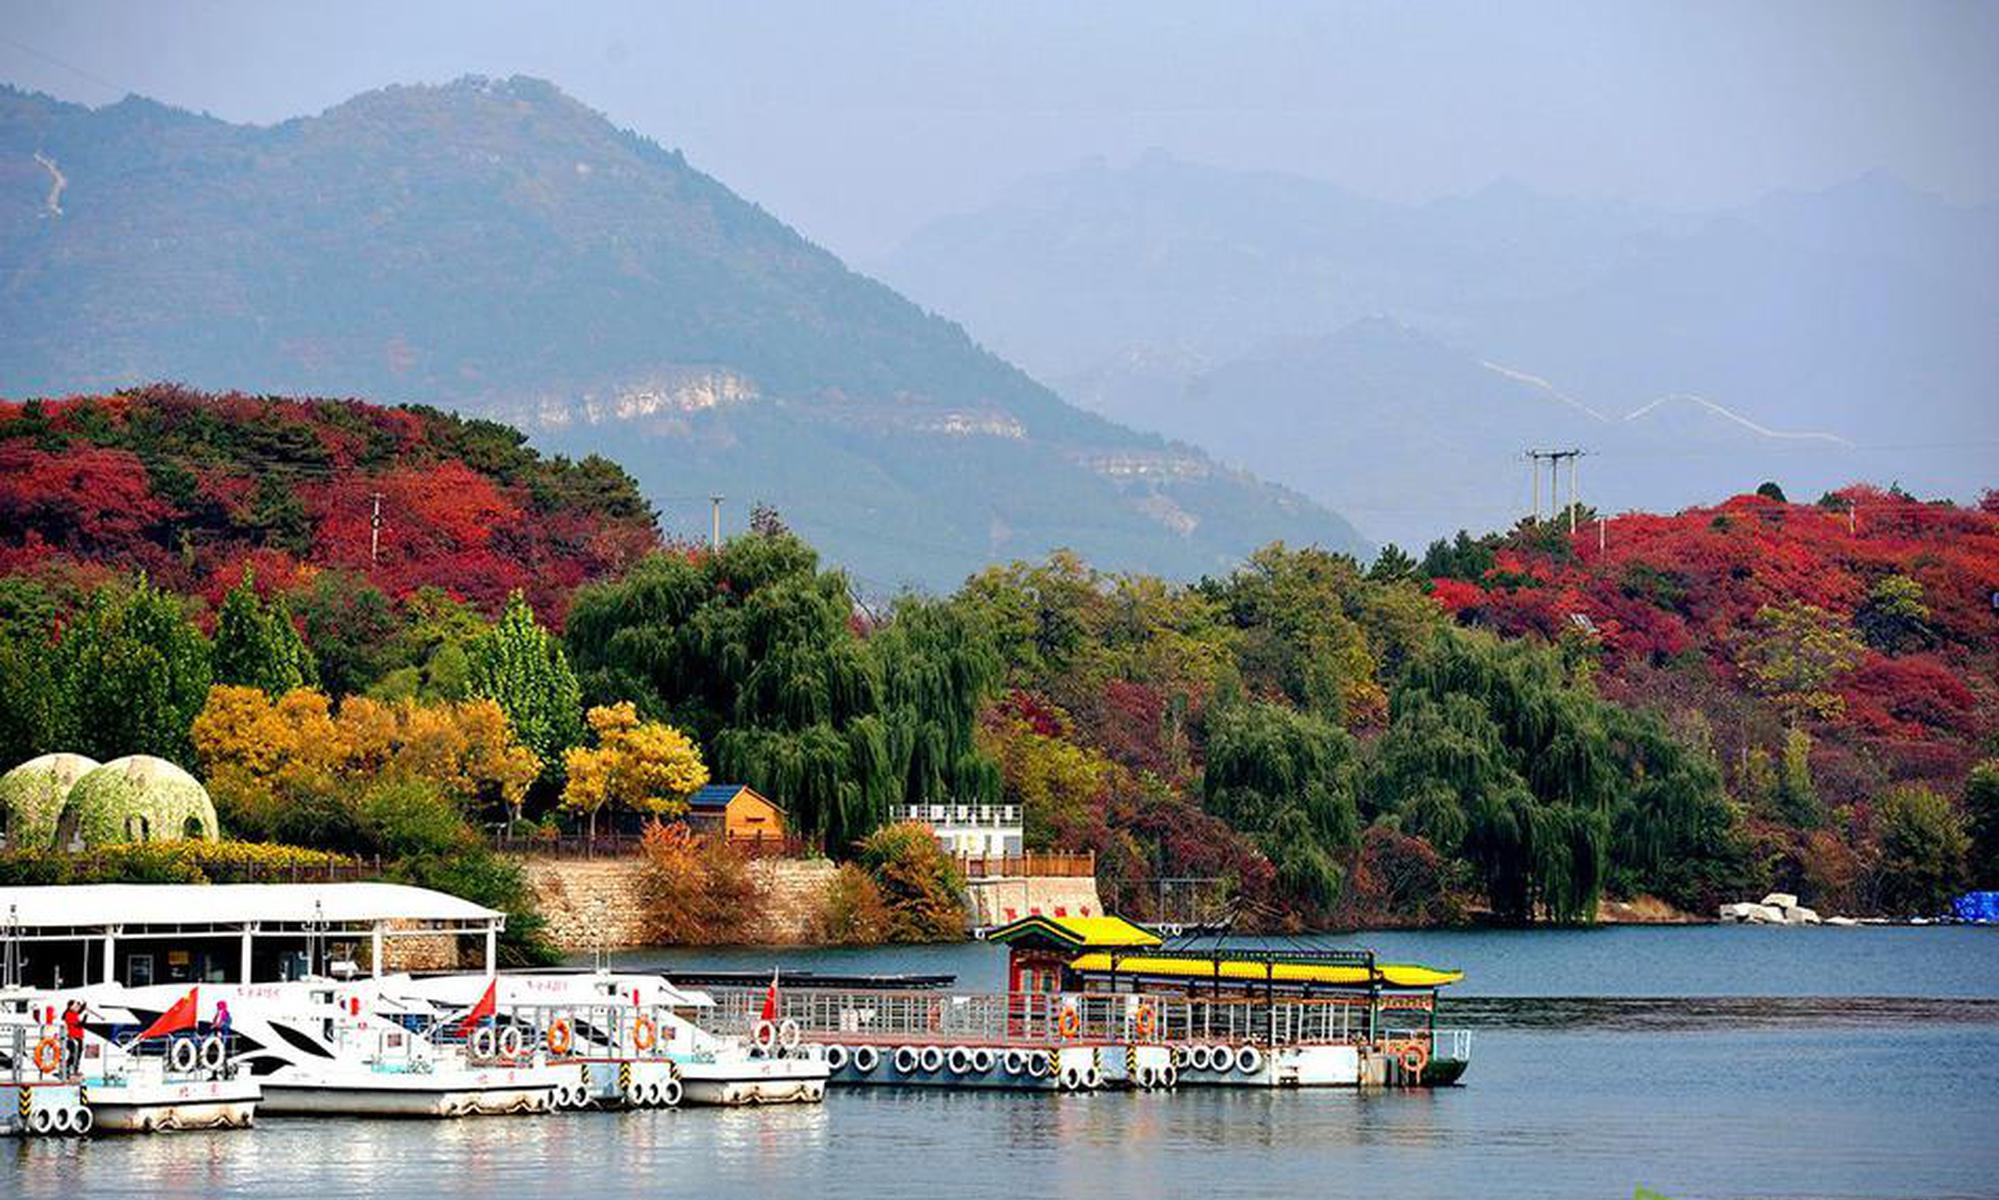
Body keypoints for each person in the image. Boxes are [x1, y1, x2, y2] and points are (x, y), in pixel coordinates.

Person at [60, 999, 88, 1077]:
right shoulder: (69, 1014)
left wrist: (84, 1005)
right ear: (70, 1006)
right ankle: (67, 1068)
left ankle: (74, 1070)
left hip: (79, 1037)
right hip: (73, 1037)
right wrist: (85, 1017)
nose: (77, 1007)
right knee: (74, 1054)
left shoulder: (74, 1013)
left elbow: (80, 1010)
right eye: (75, 1005)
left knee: (78, 1054)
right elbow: (79, 1025)